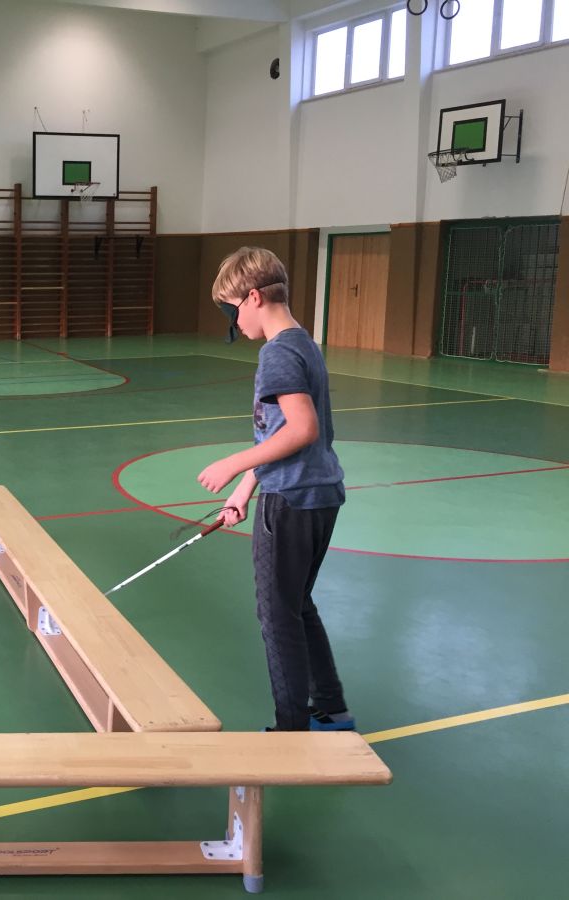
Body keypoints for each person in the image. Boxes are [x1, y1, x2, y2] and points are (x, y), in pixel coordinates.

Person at [196, 247, 353, 732]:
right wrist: (246, 488)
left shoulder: (277, 353)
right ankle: (331, 709)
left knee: (277, 617)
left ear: (254, 297)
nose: (233, 322)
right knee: (298, 604)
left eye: (231, 309)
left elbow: (302, 429)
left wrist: (233, 464)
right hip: (320, 495)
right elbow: (279, 432)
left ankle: (291, 731)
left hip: (288, 502)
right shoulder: (303, 342)